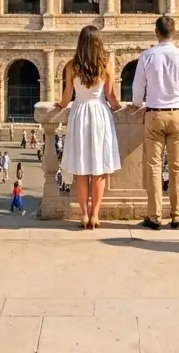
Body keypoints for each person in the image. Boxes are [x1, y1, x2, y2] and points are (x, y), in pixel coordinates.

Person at [131, 15, 179, 230]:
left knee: (153, 167)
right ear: (174, 32)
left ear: (156, 32)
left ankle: (154, 217)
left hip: (154, 114)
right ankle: (177, 217)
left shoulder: (147, 56)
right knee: (178, 168)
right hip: (178, 113)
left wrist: (137, 103)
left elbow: (136, 90)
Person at [59, 25, 124, 229]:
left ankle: (84, 215)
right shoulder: (105, 63)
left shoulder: (72, 66)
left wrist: (60, 105)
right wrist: (118, 106)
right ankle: (95, 215)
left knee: (81, 170)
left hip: (79, 113)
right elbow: (111, 95)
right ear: (99, 43)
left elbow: (68, 95)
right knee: (98, 169)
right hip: (99, 113)